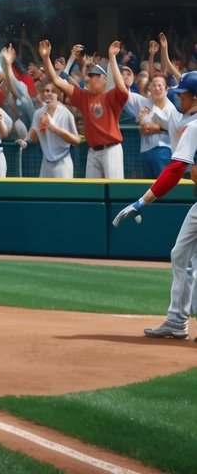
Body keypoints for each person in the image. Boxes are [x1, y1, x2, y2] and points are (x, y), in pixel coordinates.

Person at [112, 72, 197, 340]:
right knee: (181, 254)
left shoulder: (194, 126)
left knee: (183, 255)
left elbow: (174, 170)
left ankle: (176, 320)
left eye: (182, 94)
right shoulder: (189, 121)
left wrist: (141, 201)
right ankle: (176, 321)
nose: (178, 97)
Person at [39, 39, 129, 179]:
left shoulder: (110, 96)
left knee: (115, 190)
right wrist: (45, 58)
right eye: (89, 76)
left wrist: (112, 57)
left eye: (94, 76)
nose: (89, 78)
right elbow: (57, 81)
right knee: (92, 193)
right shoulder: (84, 96)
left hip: (112, 149)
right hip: (92, 151)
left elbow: (122, 89)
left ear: (103, 79)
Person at [127, 74, 181, 179]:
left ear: (166, 89)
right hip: (144, 152)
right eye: (154, 85)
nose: (157, 88)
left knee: (162, 186)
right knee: (148, 188)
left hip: (163, 151)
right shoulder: (143, 102)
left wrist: (159, 128)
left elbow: (178, 131)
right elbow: (124, 93)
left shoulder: (171, 109)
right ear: (150, 88)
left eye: (160, 85)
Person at [26, 80, 79, 179]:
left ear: (58, 94)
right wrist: (24, 141)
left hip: (63, 163)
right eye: (46, 91)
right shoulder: (38, 113)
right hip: (45, 163)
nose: (48, 94)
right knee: (43, 194)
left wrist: (51, 127)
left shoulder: (66, 114)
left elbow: (76, 140)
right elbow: (34, 135)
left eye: (52, 91)